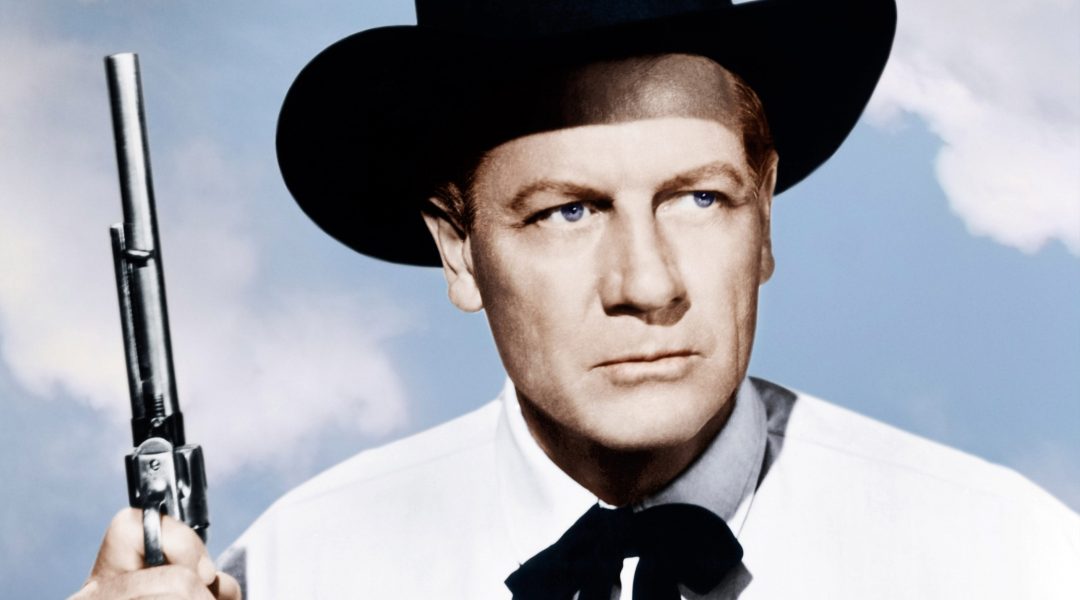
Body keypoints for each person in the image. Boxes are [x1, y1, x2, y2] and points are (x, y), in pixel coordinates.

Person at [71, 0, 1080, 598]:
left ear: (764, 215)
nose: (649, 284)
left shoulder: (1011, 560)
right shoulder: (303, 568)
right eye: (567, 212)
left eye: (698, 198)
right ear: (459, 250)